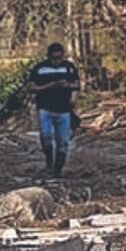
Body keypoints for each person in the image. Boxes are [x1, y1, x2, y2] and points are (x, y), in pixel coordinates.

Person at [26, 42, 81, 178]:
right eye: (54, 58)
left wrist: (67, 85)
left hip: (64, 109)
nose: (57, 61)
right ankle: (49, 161)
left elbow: (77, 84)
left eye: (59, 58)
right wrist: (49, 86)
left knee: (63, 141)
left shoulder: (69, 67)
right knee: (46, 136)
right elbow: (31, 87)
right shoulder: (39, 68)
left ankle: (58, 169)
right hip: (45, 108)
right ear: (49, 57)